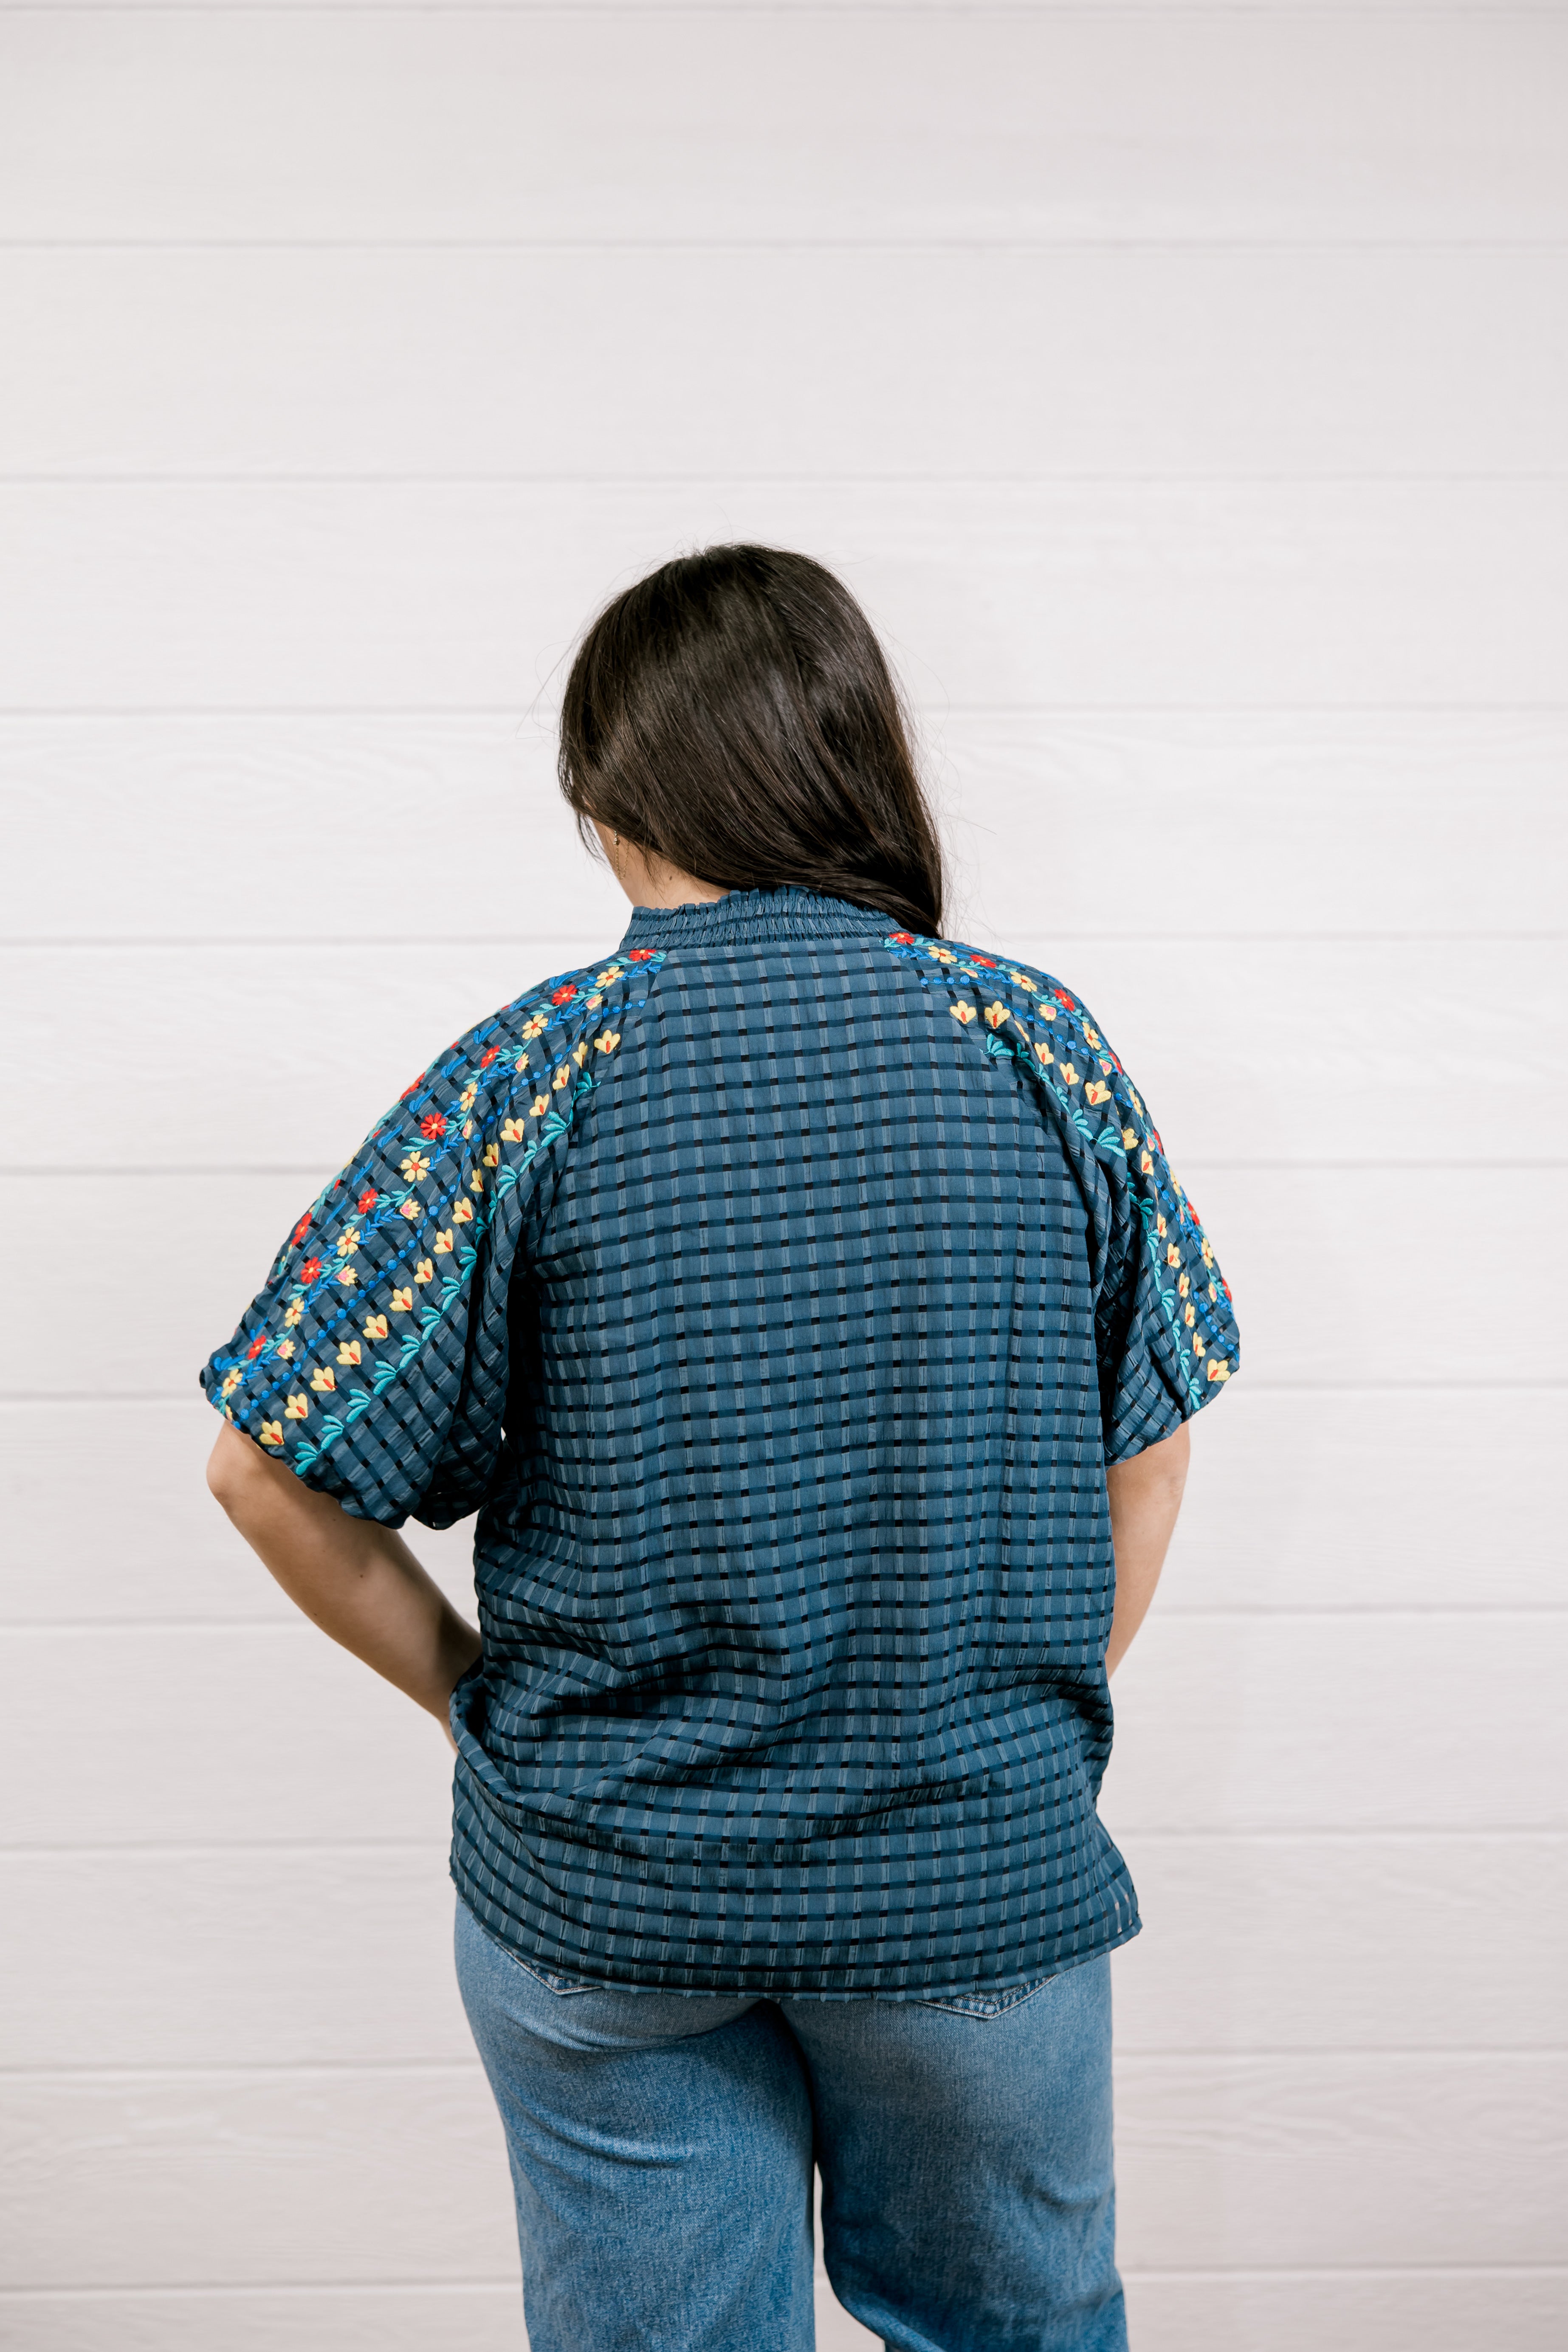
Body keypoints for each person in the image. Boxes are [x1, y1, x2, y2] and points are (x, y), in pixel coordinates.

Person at [203, 543, 1238, 2352]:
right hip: (970, 1882)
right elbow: (1147, 1437)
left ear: (604, 789)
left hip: (607, 1896)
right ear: (850, 764)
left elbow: (261, 1459)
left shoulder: (530, 1076)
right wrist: (997, 1714)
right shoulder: (1032, 1045)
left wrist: (467, 1692)